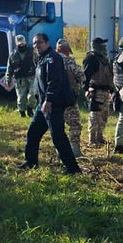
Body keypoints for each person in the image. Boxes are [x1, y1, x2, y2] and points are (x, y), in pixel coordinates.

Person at [19, 33, 81, 174]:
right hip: (42, 105)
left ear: (47, 43)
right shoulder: (42, 58)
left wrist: (49, 99)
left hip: (53, 104)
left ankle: (73, 169)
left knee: (58, 136)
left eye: (39, 42)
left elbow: (55, 81)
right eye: (35, 43)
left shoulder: (53, 58)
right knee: (33, 133)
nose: (36, 45)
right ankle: (31, 162)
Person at [56, 38, 85, 158]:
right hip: (68, 98)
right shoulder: (69, 62)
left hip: (53, 99)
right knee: (74, 124)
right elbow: (81, 76)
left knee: (58, 125)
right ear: (66, 50)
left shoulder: (49, 60)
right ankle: (75, 151)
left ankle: (60, 151)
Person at [82, 37, 113, 147]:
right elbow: (85, 76)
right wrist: (87, 89)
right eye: (102, 45)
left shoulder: (103, 58)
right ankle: (92, 140)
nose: (105, 47)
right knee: (95, 116)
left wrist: (111, 90)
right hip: (95, 91)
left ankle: (100, 137)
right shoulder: (91, 58)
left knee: (104, 115)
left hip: (105, 90)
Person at [5, 34, 37, 117]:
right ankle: (22, 112)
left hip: (31, 76)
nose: (21, 45)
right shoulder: (13, 55)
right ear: (16, 44)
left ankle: (30, 109)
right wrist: (8, 79)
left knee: (32, 94)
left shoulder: (32, 52)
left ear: (25, 42)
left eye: (22, 43)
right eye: (19, 44)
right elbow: (9, 68)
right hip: (20, 78)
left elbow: (38, 63)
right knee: (21, 97)